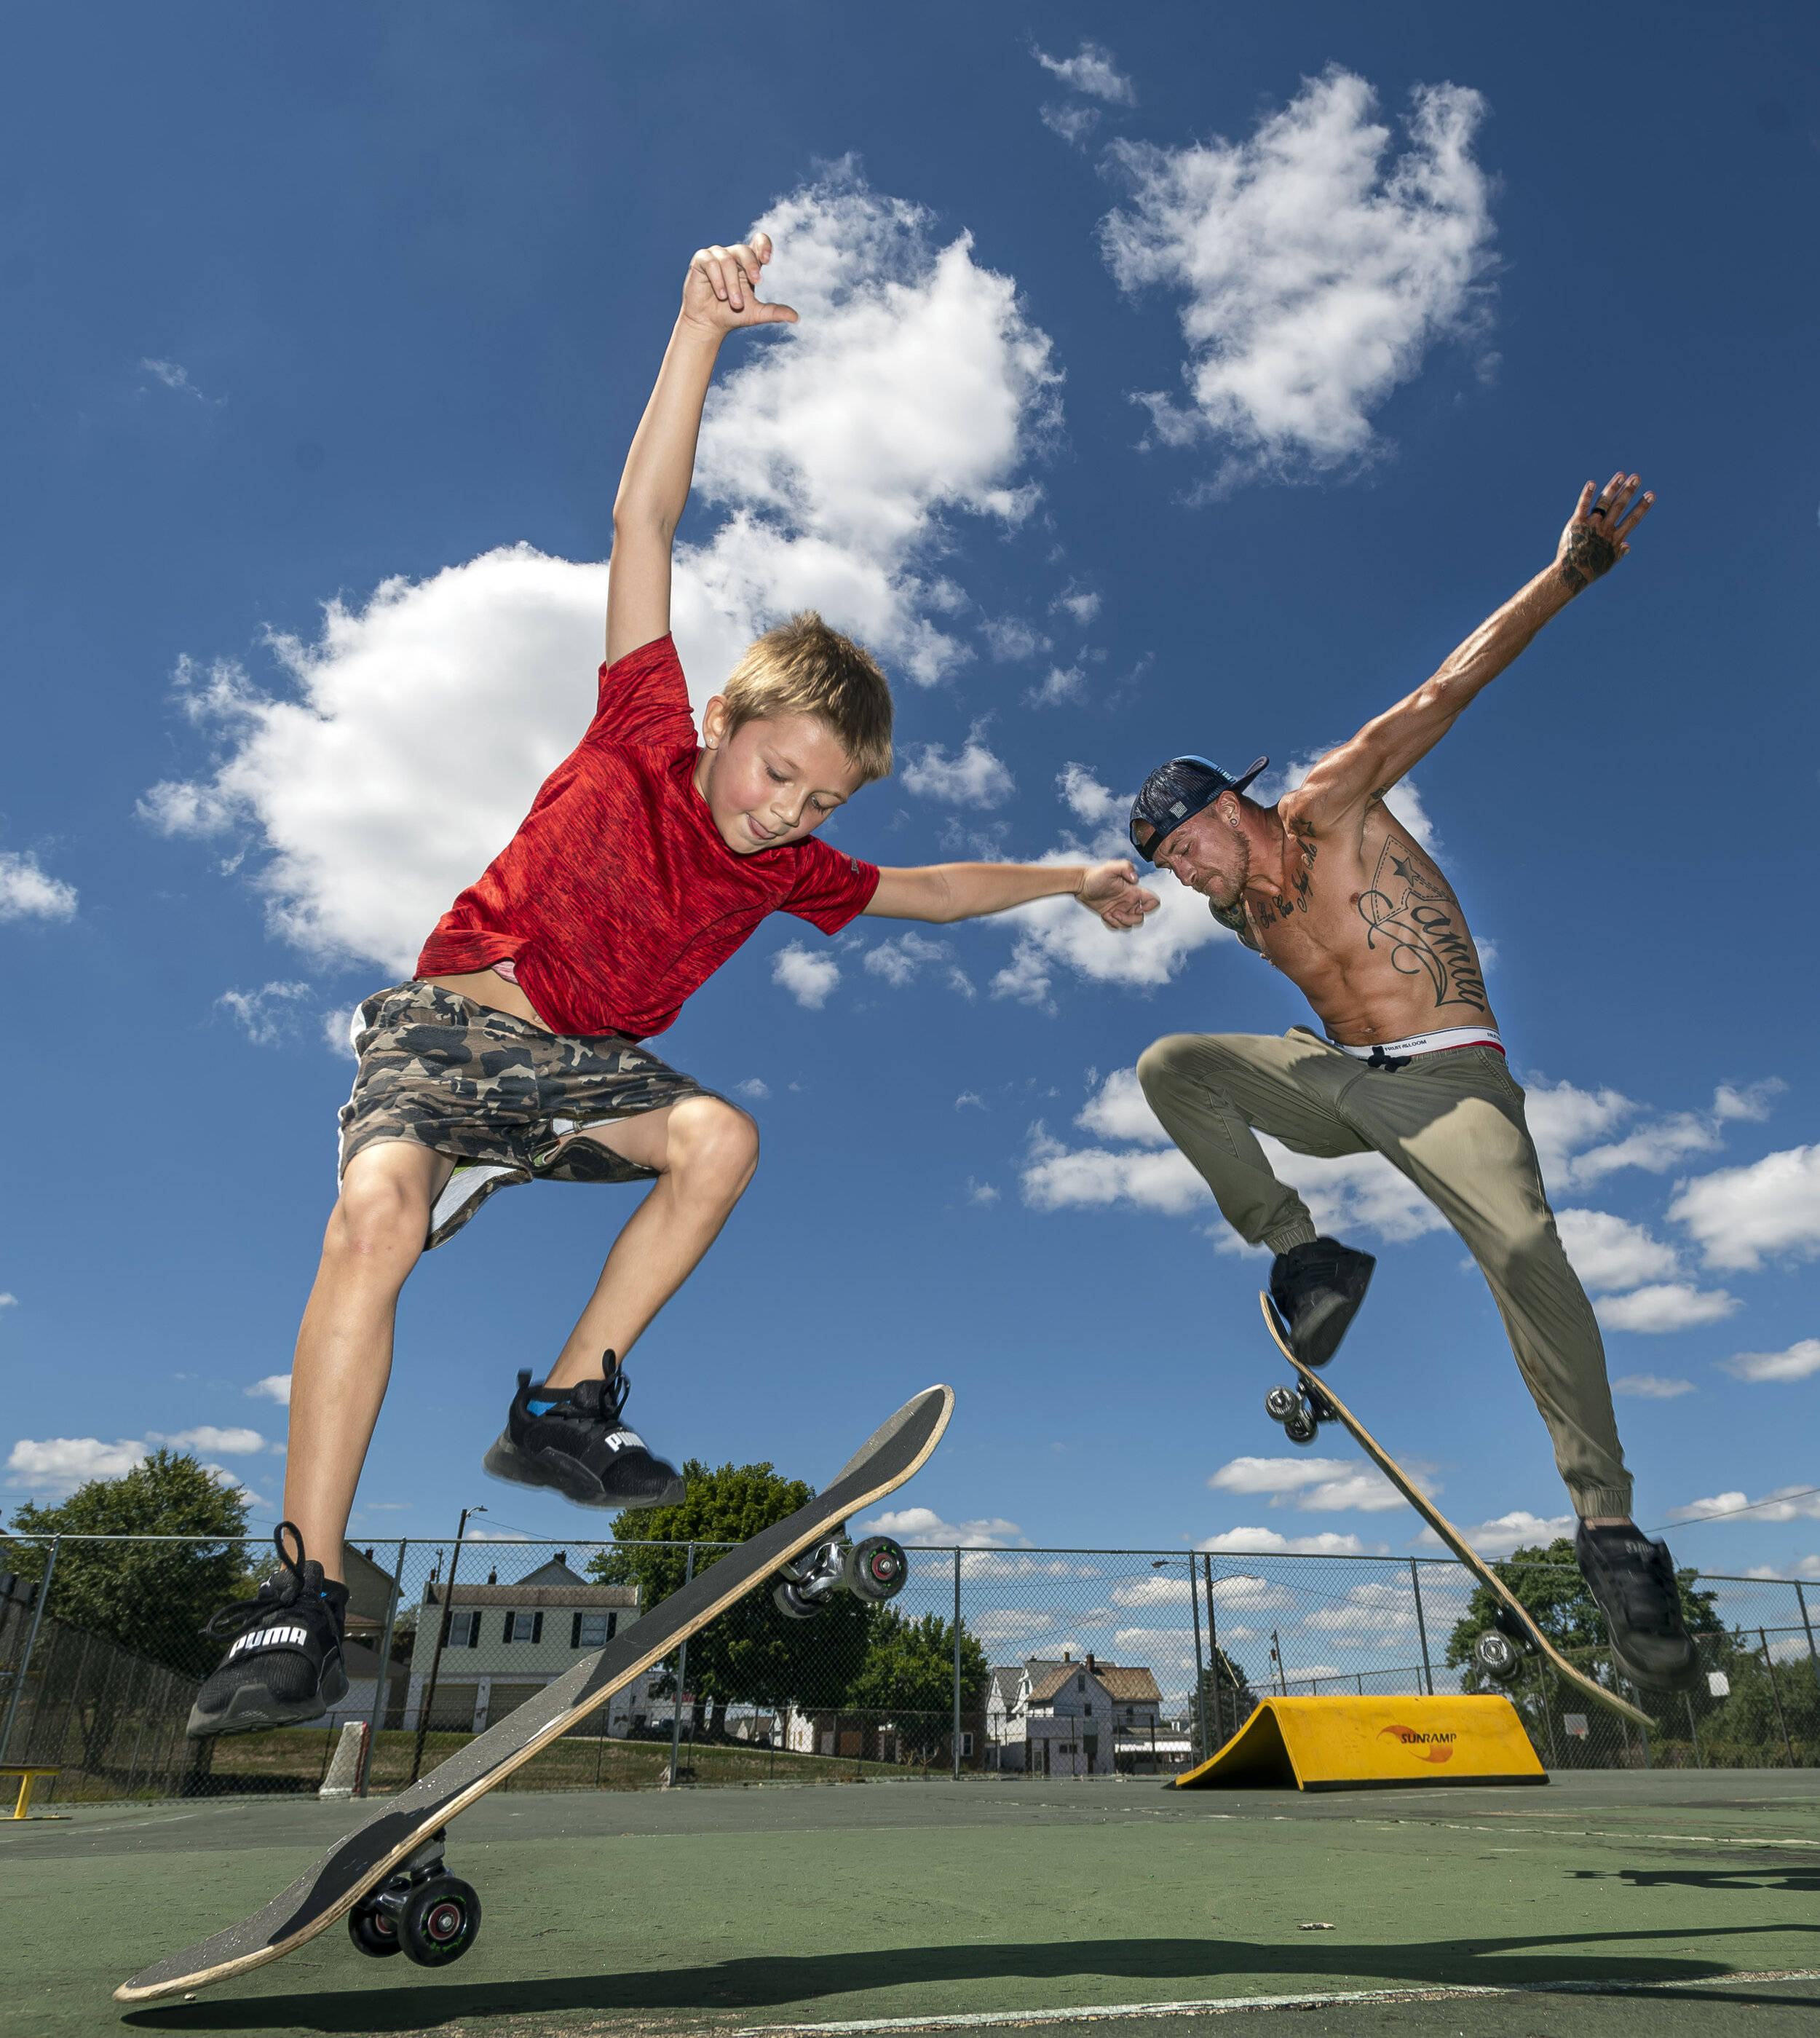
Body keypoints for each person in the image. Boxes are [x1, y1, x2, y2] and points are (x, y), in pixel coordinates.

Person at [188, 232, 1158, 1737]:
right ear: (723, 717)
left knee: (720, 1135)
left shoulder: (783, 872)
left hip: (586, 1068)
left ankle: (564, 1404)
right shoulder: (641, 714)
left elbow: (932, 892)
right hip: (452, 1026)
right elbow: (645, 511)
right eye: (777, 772)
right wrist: (696, 331)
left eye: (817, 803)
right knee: (373, 1216)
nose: (785, 813)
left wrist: (1071, 875)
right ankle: (299, 1595)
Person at [1131, 473, 1698, 1693]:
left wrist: (1569, 574)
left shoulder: (1335, 801)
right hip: (1345, 1085)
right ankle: (1305, 1256)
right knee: (1174, 1064)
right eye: (1172, 870)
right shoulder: (1241, 915)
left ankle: (1608, 1530)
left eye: (1190, 851)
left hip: (1453, 1086)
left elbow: (1451, 686)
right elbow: (1208, 939)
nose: (1190, 881)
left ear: (1235, 806)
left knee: (1526, 1254)